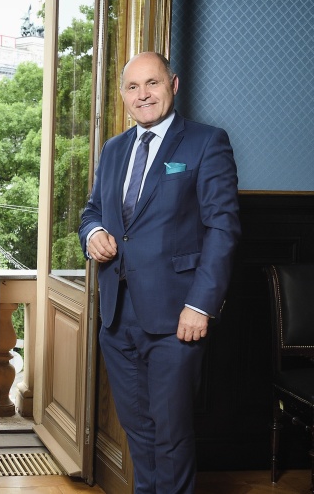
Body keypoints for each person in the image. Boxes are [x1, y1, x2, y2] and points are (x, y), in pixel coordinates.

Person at [78, 52, 240, 493]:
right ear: (123, 95)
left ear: (173, 84)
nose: (143, 94)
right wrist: (91, 233)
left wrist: (200, 305)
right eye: (133, 87)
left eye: (152, 83)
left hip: (177, 318)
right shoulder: (114, 149)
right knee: (140, 434)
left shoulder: (206, 142)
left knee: (170, 436)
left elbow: (222, 229)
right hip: (117, 317)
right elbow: (92, 210)